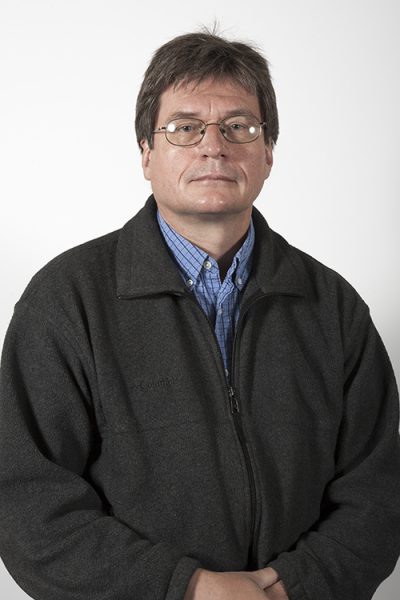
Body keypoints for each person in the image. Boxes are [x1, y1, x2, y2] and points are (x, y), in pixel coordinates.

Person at [0, 29, 399, 600]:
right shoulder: (65, 301)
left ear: (267, 153)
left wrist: (289, 589)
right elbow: (24, 504)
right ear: (146, 153)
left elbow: (380, 491)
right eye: (185, 128)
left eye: (239, 126)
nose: (215, 146)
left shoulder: (334, 307)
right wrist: (186, 589)